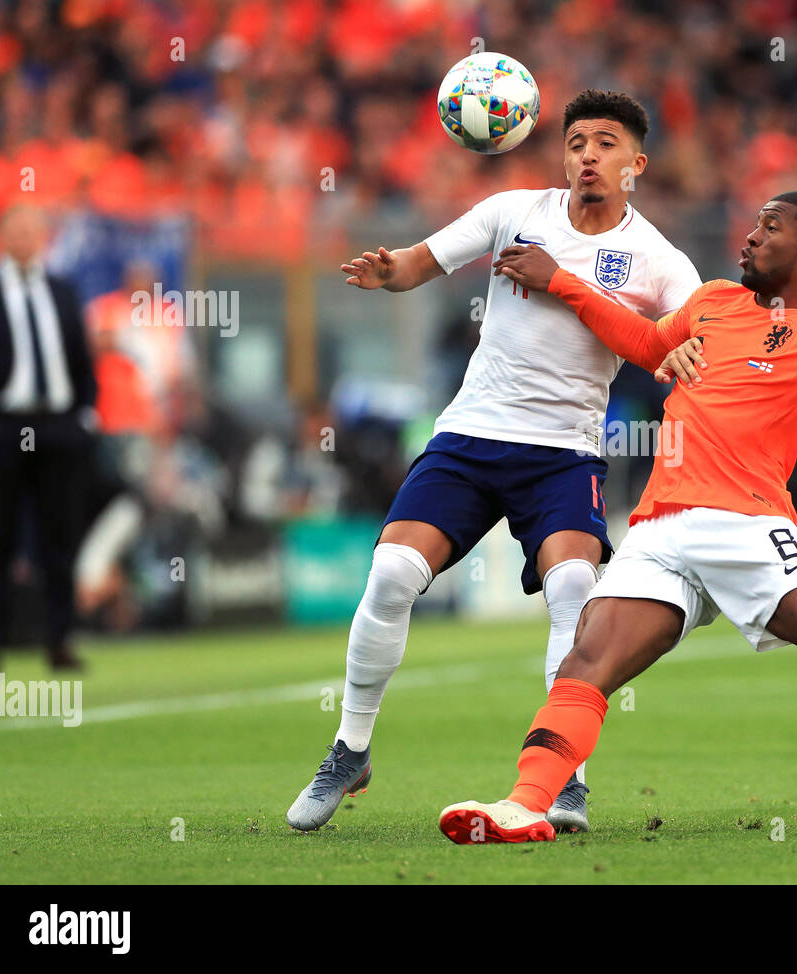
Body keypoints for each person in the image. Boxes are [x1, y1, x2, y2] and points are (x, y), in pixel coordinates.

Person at [438, 191, 797, 842]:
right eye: (753, 224)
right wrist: (565, 284)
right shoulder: (712, 301)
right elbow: (644, 341)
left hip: (745, 522)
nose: (750, 236)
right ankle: (524, 805)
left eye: (770, 228)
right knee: (587, 660)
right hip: (659, 528)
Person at [287, 90, 703, 834]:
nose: (587, 156)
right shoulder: (514, 210)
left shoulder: (658, 257)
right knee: (389, 575)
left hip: (564, 454)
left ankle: (567, 776)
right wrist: (391, 272)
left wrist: (685, 342)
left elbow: (690, 327)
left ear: (636, 164)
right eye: (576, 142)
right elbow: (422, 261)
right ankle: (350, 747)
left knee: (575, 585)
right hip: (471, 438)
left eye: (605, 144)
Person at [0, 204, 97, 672]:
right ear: (1, 237)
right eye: (16, 230)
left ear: (44, 236)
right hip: (5, 426)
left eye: (32, 230)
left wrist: (85, 412)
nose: (25, 238)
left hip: (59, 426)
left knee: (60, 539)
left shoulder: (63, 290)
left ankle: (60, 640)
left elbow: (80, 356)